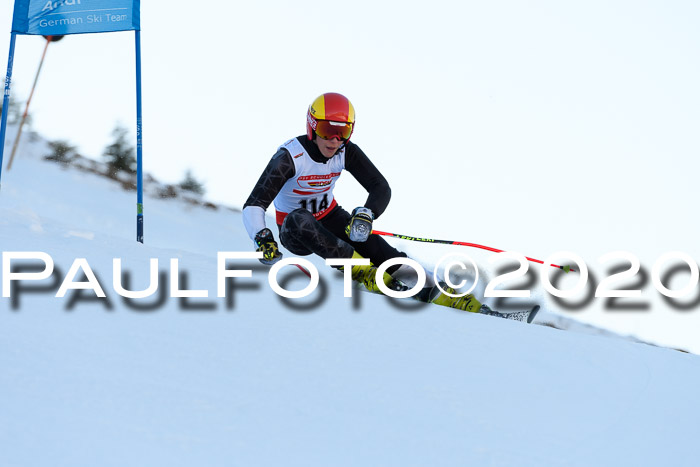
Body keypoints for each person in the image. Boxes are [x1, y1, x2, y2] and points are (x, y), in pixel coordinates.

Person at [242, 92, 531, 319]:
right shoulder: (289, 157)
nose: (334, 139)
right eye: (329, 129)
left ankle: (445, 294)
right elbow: (254, 204)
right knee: (300, 218)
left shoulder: (345, 151)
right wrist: (262, 237)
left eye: (343, 132)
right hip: (296, 230)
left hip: (329, 216)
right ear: (313, 126)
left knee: (374, 245)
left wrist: (367, 214)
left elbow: (380, 187)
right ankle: (365, 275)